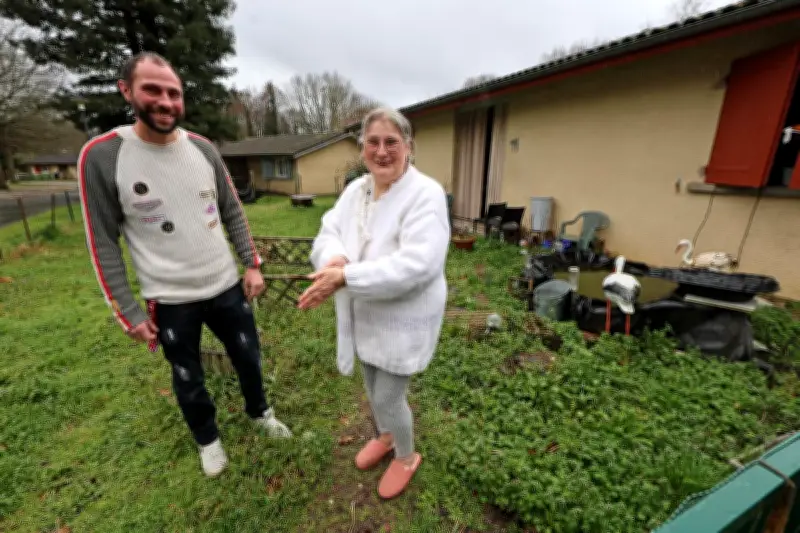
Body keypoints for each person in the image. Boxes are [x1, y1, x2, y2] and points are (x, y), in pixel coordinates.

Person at [76, 51, 292, 478]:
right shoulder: (102, 156)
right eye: (152, 90)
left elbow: (232, 211)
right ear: (127, 91)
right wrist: (128, 312)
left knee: (248, 357)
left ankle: (260, 413)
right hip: (171, 299)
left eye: (173, 93)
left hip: (226, 285)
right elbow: (103, 244)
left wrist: (251, 265)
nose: (165, 101)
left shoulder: (203, 150)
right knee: (188, 374)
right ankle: (208, 441)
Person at [297, 107, 450, 499]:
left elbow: (419, 264)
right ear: (362, 147)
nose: (382, 151)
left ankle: (405, 455)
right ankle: (384, 436)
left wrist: (346, 277)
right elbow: (329, 229)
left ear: (409, 147)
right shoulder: (357, 190)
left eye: (391, 142)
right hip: (363, 312)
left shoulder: (425, 194)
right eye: (373, 142)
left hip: (404, 317)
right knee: (369, 381)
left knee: (388, 394)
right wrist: (334, 259)